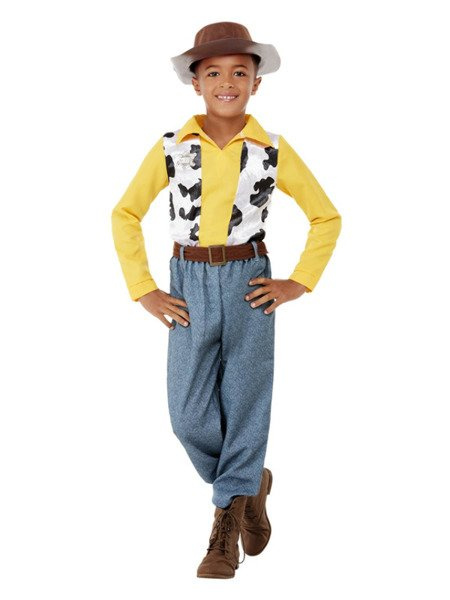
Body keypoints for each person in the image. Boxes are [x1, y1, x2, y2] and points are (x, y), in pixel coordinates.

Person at [111, 21, 342, 579]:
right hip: (188, 283)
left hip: (249, 283)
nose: (227, 82)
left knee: (245, 401)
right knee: (188, 416)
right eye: (213, 73)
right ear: (195, 83)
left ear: (256, 82)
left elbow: (326, 216)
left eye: (240, 72)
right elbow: (125, 213)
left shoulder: (272, 151)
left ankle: (224, 528)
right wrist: (144, 289)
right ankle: (249, 483)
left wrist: (297, 282)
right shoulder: (171, 148)